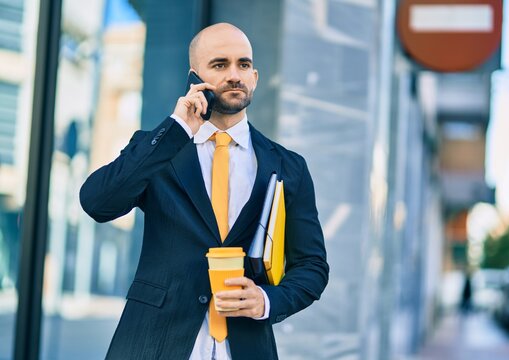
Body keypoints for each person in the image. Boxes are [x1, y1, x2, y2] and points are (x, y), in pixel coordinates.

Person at [80, 23, 329, 360]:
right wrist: (177, 128)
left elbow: (312, 265)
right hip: (154, 342)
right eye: (219, 64)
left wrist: (267, 301)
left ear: (255, 76)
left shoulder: (288, 166)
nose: (234, 74)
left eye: (243, 65)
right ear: (194, 77)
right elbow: (98, 202)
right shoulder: (159, 149)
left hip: (245, 346)